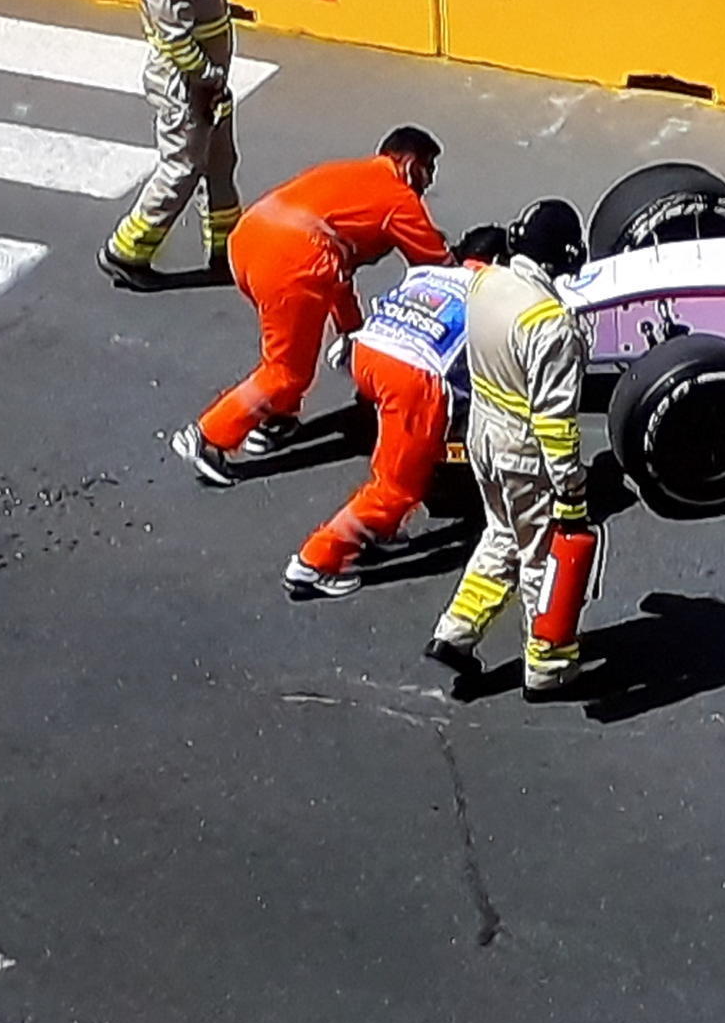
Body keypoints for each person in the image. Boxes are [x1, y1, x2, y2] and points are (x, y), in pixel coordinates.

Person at [171, 126, 452, 485]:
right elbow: (439, 269)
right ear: (410, 164)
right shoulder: (399, 199)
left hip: (249, 243)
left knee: (289, 345)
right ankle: (207, 436)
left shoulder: (346, 174)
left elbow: (336, 266)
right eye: (429, 168)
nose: (430, 181)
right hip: (292, 264)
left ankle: (277, 419)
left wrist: (352, 330)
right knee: (287, 372)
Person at [283, 224, 518, 601]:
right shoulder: (490, 294)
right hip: (412, 376)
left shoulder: (428, 274)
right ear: (497, 262)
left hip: (367, 353)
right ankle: (315, 561)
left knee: (396, 453)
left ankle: (380, 529)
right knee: (399, 487)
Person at [424, 200, 593, 698]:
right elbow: (555, 422)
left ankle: (456, 631)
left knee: (501, 533)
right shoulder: (550, 323)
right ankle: (548, 666)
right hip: (523, 453)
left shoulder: (484, 283)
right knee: (541, 555)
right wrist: (571, 487)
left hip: (482, 436)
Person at [98, 0, 243, 291]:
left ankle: (226, 250)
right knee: (181, 170)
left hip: (209, 84)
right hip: (188, 87)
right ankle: (126, 252)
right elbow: (175, 40)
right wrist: (208, 78)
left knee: (220, 165)